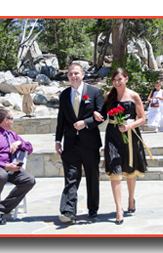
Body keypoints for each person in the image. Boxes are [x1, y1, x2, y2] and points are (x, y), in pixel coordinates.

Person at [93, 68, 148, 225]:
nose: (117, 82)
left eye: (120, 79)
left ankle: (131, 199)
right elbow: (102, 114)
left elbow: (142, 118)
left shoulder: (134, 96)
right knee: (115, 171)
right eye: (114, 80)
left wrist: (129, 126)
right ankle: (119, 209)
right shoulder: (109, 96)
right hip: (112, 136)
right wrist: (95, 114)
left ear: (126, 79)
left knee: (130, 171)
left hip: (130, 136)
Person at [55, 63, 104, 223]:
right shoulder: (64, 95)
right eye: (70, 74)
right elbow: (61, 119)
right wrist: (57, 139)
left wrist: (86, 123)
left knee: (92, 176)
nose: (73, 76)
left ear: (83, 74)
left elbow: (102, 115)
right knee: (70, 177)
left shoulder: (94, 92)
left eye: (76, 73)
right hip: (70, 143)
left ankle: (93, 208)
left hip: (90, 142)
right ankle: (68, 212)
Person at [0, 108, 35, 230]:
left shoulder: (12, 135)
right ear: (5, 120)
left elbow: (30, 148)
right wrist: (4, 166)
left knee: (29, 180)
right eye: (12, 118)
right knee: (1, 175)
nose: (13, 121)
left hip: (9, 168)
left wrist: (19, 143)